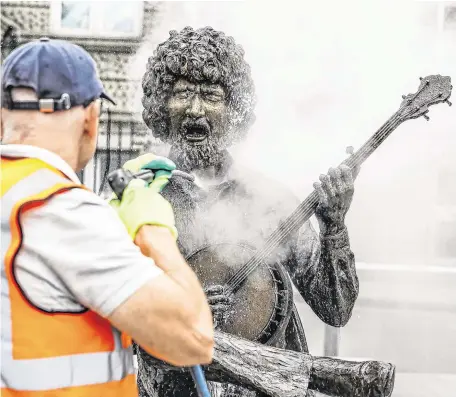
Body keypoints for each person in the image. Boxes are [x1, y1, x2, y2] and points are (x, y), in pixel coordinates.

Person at [134, 26, 382, 397]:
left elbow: (336, 308)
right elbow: (109, 309)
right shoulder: (138, 197)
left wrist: (334, 226)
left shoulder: (270, 199)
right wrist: (183, 303)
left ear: (233, 110)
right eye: (182, 93)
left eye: (211, 96)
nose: (196, 109)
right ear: (160, 104)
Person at [0, 37, 214, 397]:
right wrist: (151, 227)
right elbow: (192, 337)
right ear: (89, 118)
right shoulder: (61, 212)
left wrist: (104, 214)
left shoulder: (16, 194)